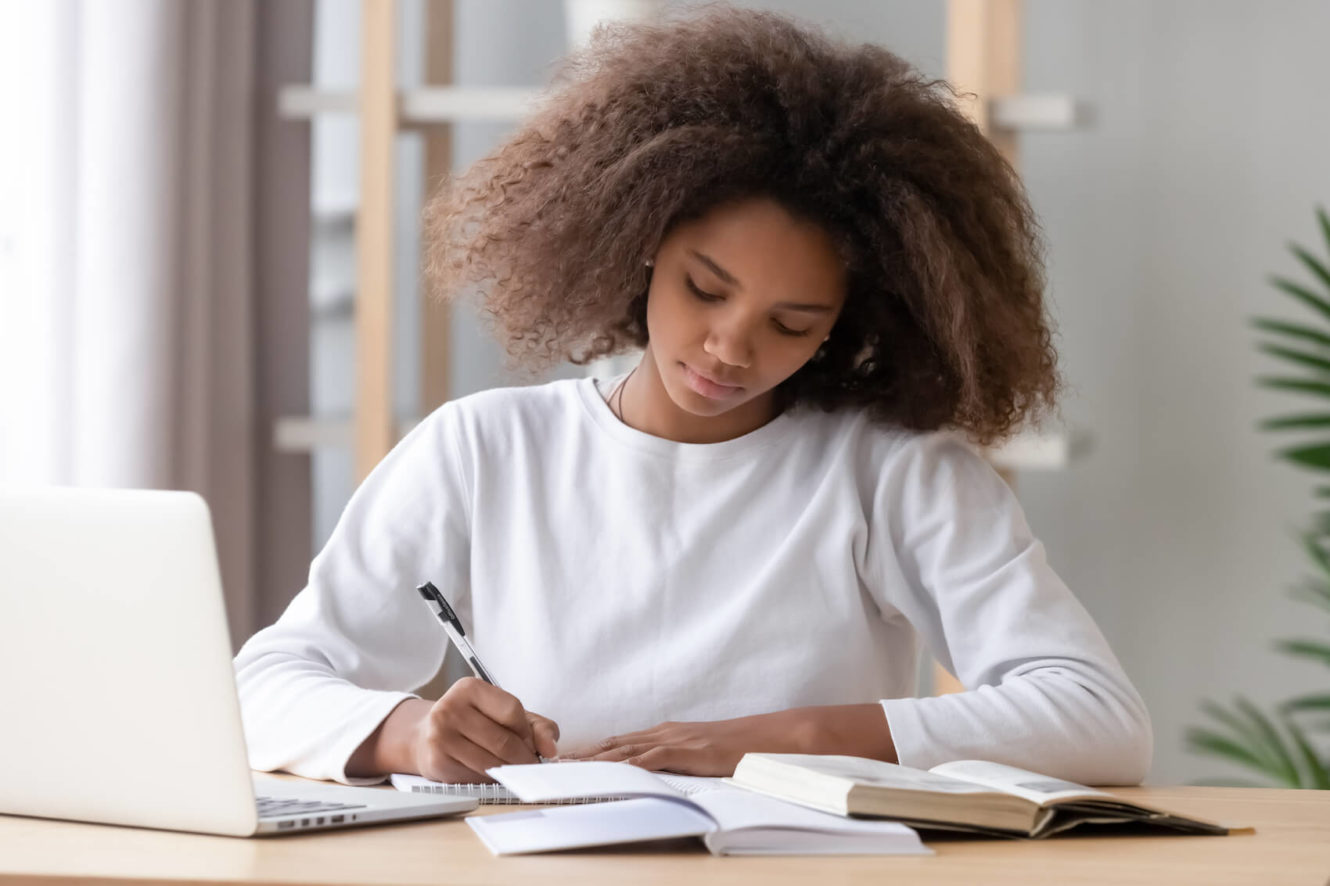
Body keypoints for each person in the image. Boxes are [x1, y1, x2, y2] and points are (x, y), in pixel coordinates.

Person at [233, 6, 1152, 788]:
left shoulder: (891, 472)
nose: (729, 347)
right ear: (640, 242)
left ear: (850, 321)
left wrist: (787, 740)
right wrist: (413, 734)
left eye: (791, 323)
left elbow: (1099, 717)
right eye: (704, 290)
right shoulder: (484, 449)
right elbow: (262, 685)